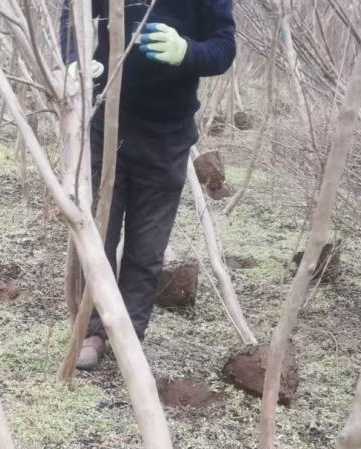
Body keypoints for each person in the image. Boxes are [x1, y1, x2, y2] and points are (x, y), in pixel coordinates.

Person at [60, 1, 236, 369]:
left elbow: (223, 47)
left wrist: (188, 51)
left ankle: (128, 337)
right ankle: (92, 330)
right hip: (103, 123)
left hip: (167, 134)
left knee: (147, 246)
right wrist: (73, 60)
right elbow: (71, 13)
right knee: (96, 235)